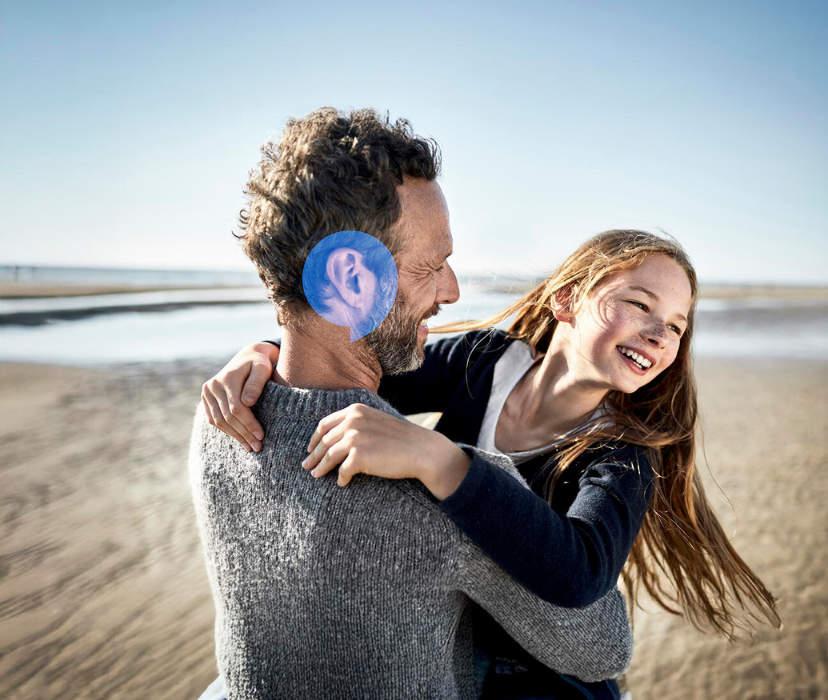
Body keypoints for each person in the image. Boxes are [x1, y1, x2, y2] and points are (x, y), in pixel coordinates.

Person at [204, 230, 782, 698]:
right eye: (639, 305)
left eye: (678, 327)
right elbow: (362, 370)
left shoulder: (623, 452)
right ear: (566, 301)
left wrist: (444, 461)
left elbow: (579, 574)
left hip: (534, 668)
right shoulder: (487, 359)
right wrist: (269, 352)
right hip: (441, 630)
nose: (660, 334)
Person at [190, 107, 634, 700]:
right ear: (350, 280)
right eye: (431, 265)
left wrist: (267, 350)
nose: (451, 291)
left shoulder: (219, 418)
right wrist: (478, 476)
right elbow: (601, 647)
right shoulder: (431, 493)